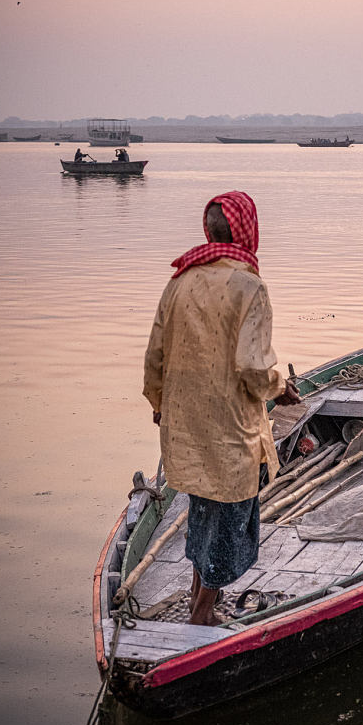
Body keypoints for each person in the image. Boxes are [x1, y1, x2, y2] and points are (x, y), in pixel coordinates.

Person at [143, 191, 300, 625]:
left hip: (186, 422)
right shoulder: (249, 285)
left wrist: (159, 404)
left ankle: (199, 596)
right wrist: (280, 387)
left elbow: (155, 353)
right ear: (249, 230)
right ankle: (202, 614)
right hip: (230, 426)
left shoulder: (181, 279)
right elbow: (254, 367)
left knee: (202, 507)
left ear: (208, 230)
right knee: (229, 518)